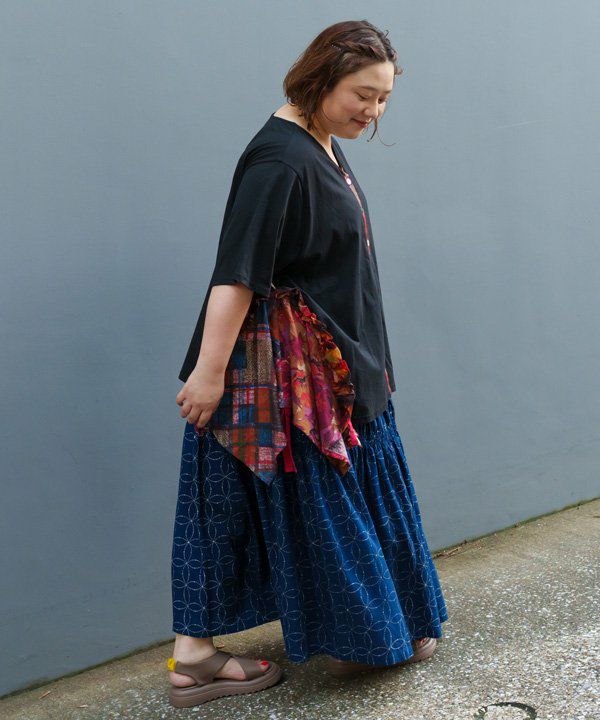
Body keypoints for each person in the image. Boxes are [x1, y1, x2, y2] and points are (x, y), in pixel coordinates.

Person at [166, 19, 449, 709]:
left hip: (332, 367)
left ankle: (340, 636)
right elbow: (237, 272)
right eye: (362, 94)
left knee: (260, 498)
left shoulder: (318, 141)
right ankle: (206, 657)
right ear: (320, 80)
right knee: (271, 499)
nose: (373, 111)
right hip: (293, 382)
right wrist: (209, 373)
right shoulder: (280, 160)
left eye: (383, 98)